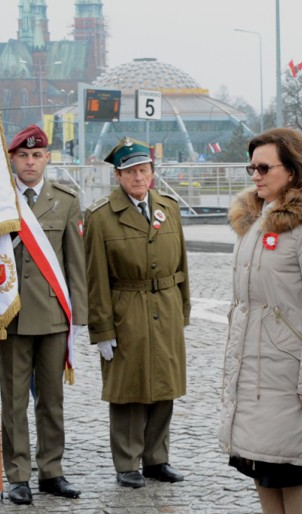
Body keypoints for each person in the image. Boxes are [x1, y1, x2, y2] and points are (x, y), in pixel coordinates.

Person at [218, 128, 302, 514]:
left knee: (291, 470)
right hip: (253, 370)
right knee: (261, 465)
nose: (255, 175)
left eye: (264, 167)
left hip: (287, 374)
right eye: (251, 166)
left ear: (293, 170)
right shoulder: (257, 219)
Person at [0, 124, 87, 505]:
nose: (31, 162)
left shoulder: (65, 199)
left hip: (53, 316)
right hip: (11, 318)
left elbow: (74, 262)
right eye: (23, 155)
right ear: (12, 159)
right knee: (15, 400)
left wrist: (78, 317)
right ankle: (18, 474)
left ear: (47, 158)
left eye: (37, 155)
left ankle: (52, 471)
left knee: (52, 400)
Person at [84, 137, 190, 489]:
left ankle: (157, 458)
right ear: (117, 176)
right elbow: (95, 278)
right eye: (130, 172)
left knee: (164, 386)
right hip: (126, 310)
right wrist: (101, 330)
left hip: (166, 306)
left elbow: (182, 266)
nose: (138, 177)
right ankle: (127, 462)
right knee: (128, 390)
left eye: (143, 170)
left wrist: (183, 310)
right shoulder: (100, 217)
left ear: (152, 172)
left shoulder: (168, 208)